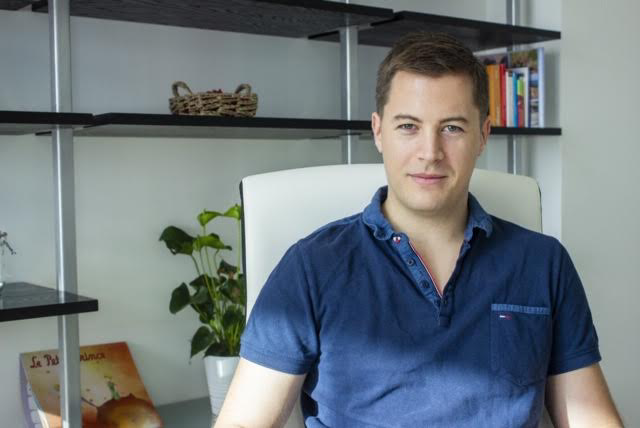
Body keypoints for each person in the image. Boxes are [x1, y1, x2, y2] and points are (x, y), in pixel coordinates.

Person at [214, 32, 623, 427]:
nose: (430, 153)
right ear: (378, 131)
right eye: (409, 126)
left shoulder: (543, 263)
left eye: (452, 128)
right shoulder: (310, 267)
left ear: (483, 135)